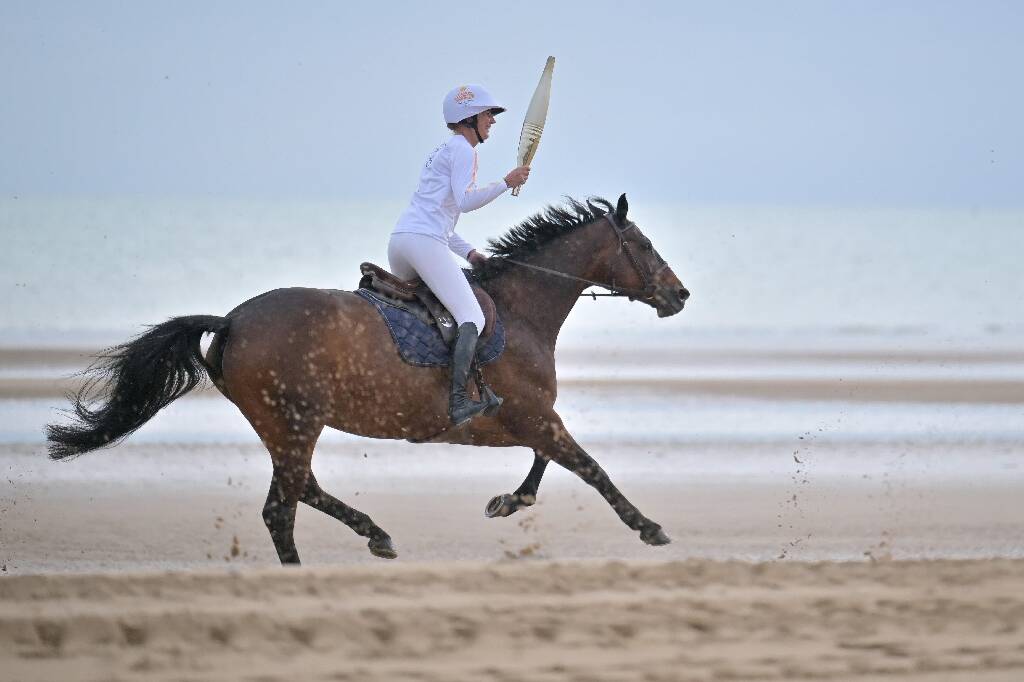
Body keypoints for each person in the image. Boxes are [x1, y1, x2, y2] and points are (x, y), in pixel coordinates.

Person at [388, 84, 530, 426]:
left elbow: (442, 217)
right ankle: (459, 400)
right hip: (423, 242)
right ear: (469, 118)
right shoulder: (465, 151)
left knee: (440, 310)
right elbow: (465, 202)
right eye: (488, 115)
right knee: (473, 317)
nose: (492, 122)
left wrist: (470, 254)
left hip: (401, 242)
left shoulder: (444, 150)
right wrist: (505, 182)